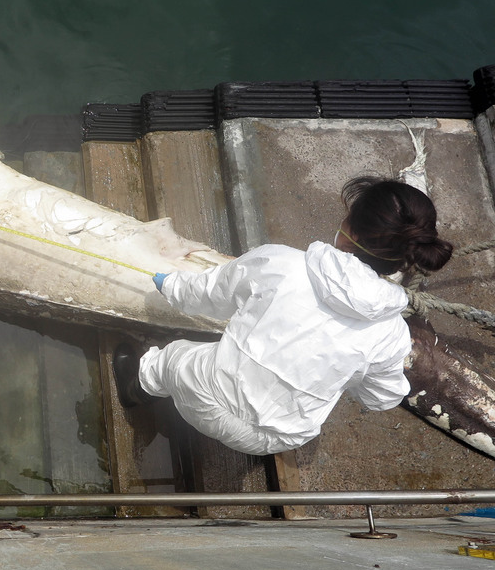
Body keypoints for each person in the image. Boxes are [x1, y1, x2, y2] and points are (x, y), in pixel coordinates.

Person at [113, 176, 454, 456]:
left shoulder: (278, 262)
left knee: (175, 356)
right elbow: (382, 398)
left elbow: (207, 296)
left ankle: (138, 385)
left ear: (351, 233)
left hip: (206, 399)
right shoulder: (392, 335)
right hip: (276, 440)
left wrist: (170, 284)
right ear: (403, 260)